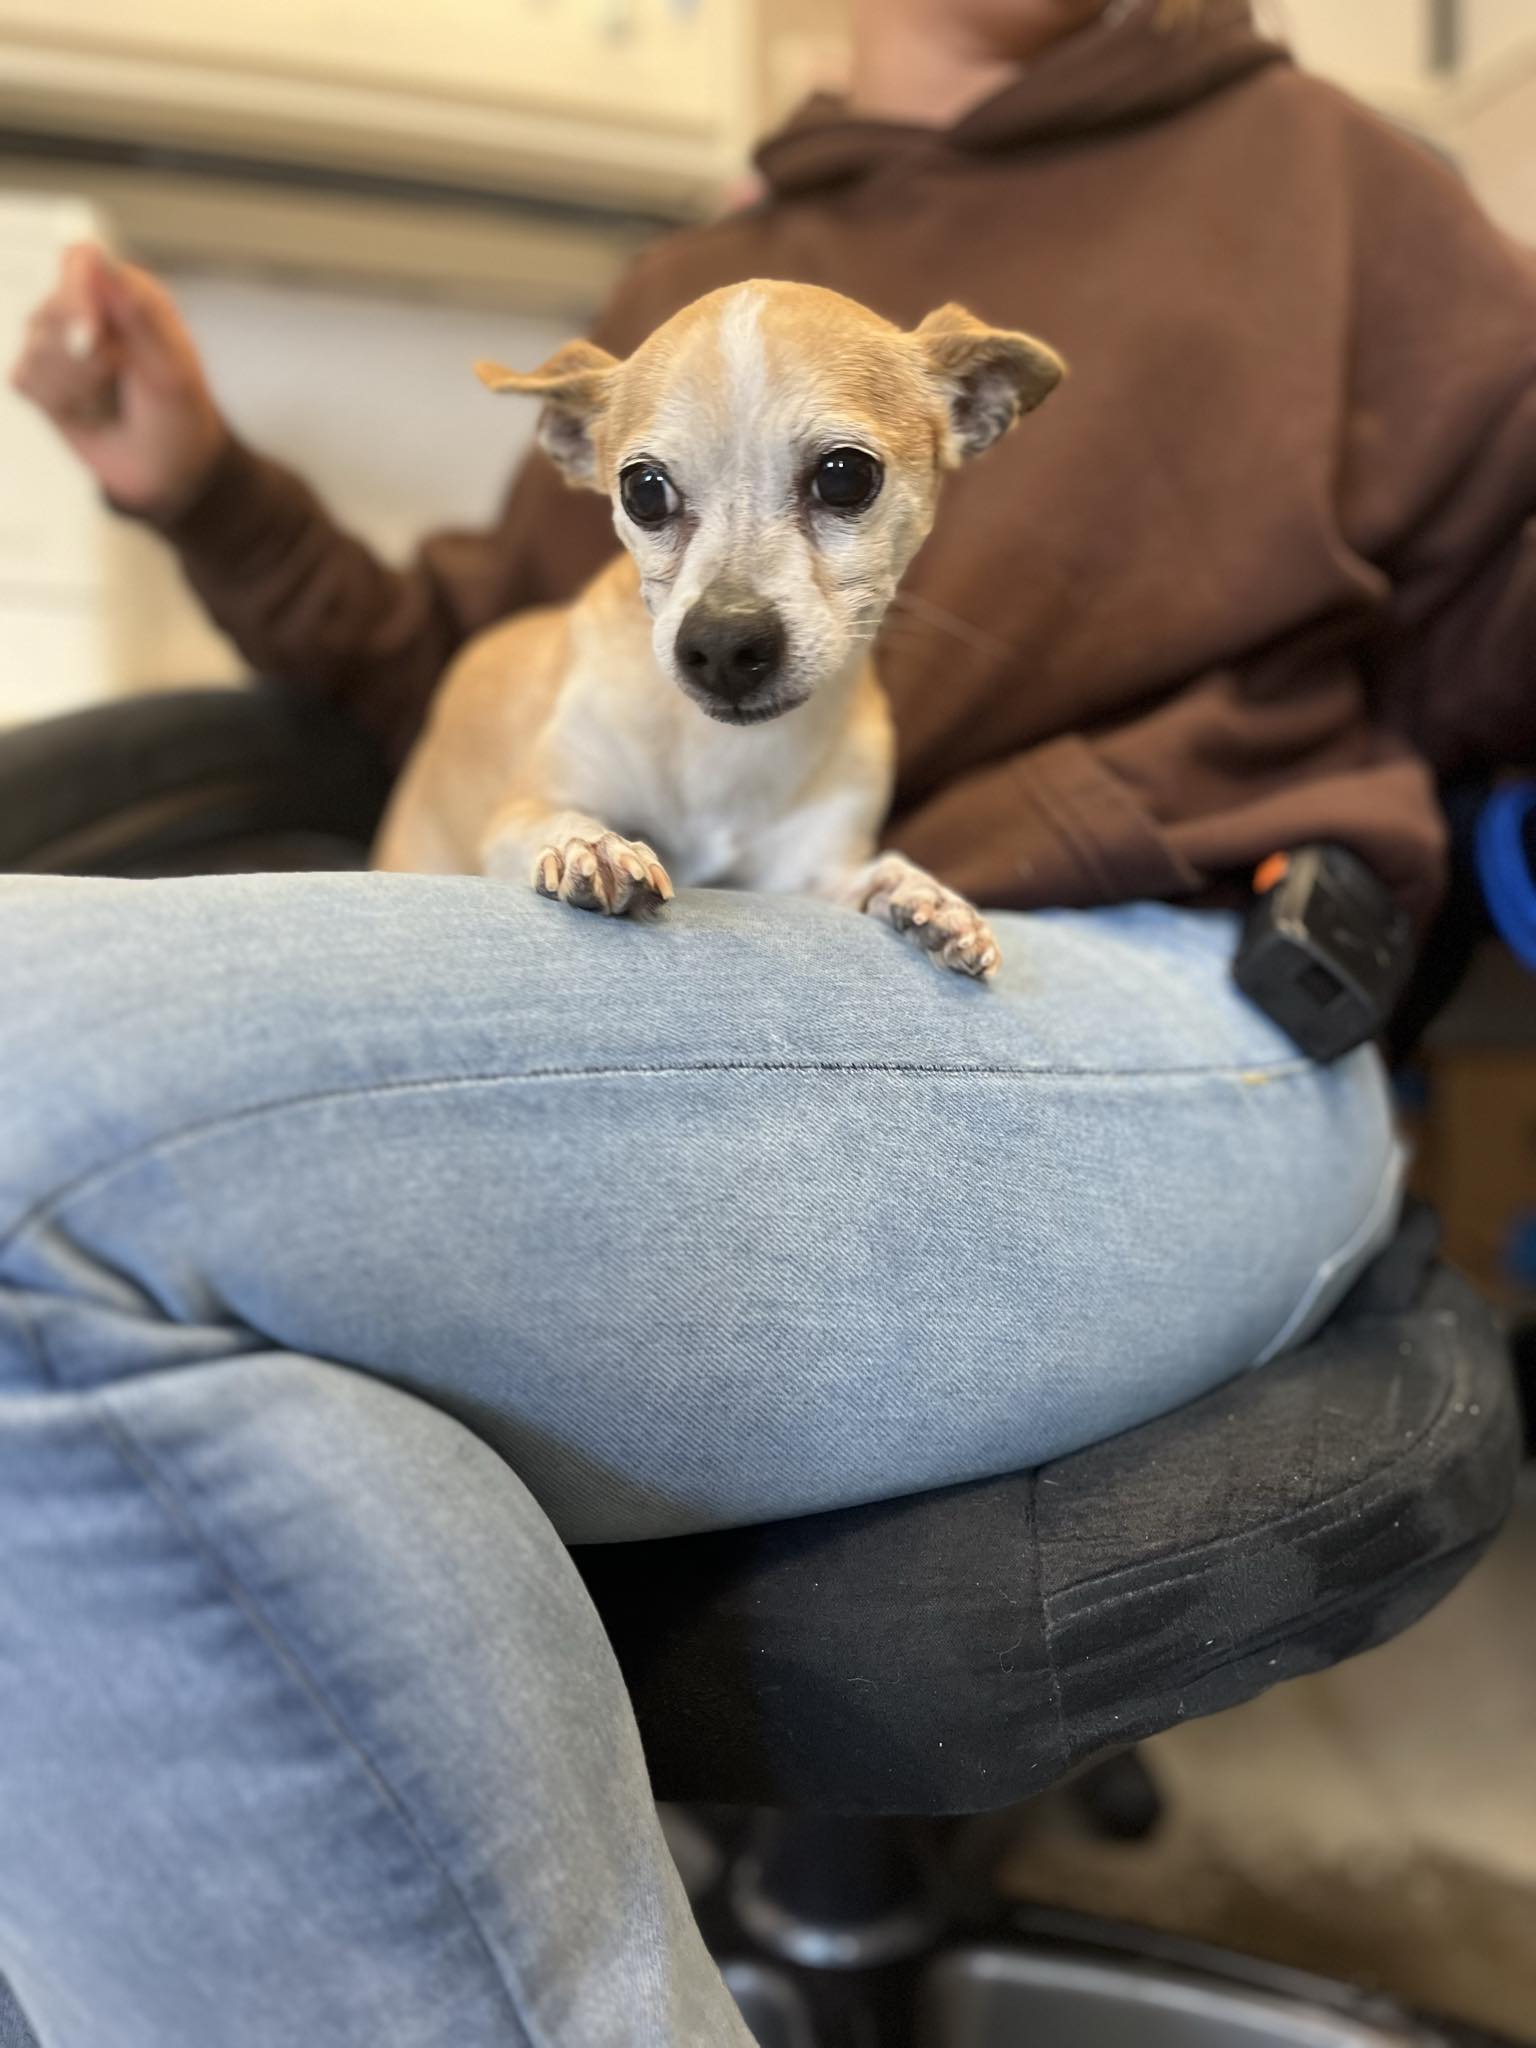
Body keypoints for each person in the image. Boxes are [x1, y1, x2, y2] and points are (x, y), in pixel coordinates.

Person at [2, 0, 1532, 2041]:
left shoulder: (1335, 182)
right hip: (695, 964)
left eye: (831, 482)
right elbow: (484, 663)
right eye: (661, 506)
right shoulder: (682, 277)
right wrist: (201, 486)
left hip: (1166, 979)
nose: (727, 583)